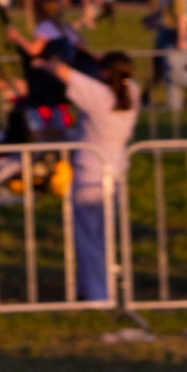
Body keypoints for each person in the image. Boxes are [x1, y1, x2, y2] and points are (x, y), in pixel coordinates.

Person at [62, 47, 139, 302]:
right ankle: (89, 289)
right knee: (103, 238)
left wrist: (43, 60)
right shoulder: (132, 92)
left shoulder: (98, 96)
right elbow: (121, 77)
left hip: (88, 176)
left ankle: (98, 295)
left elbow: (62, 72)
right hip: (114, 176)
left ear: (104, 73)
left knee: (88, 241)